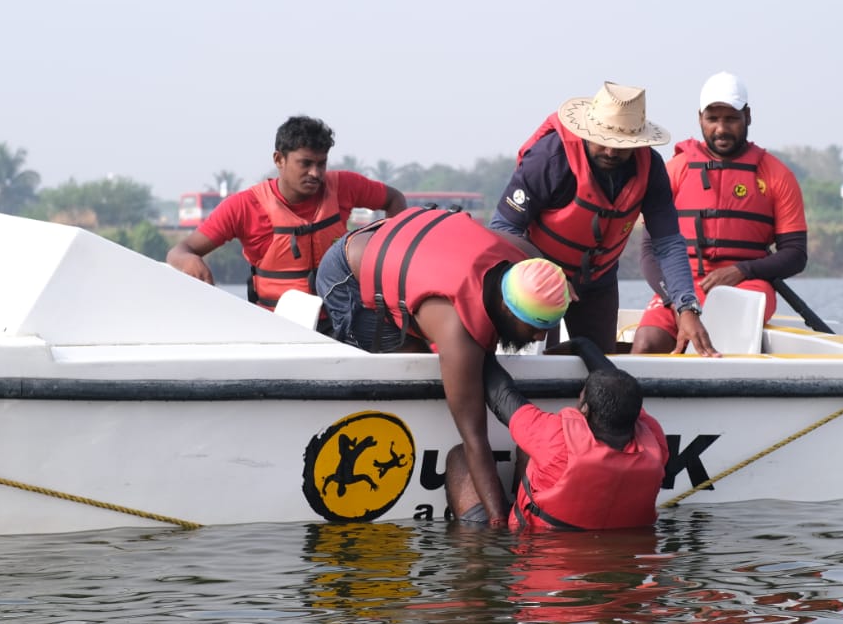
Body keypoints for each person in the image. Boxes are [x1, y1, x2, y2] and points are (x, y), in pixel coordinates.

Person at [315, 205, 573, 526]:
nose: (540, 334)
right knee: (416, 357)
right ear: (506, 308)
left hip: (417, 242)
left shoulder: (526, 260)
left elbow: (550, 281)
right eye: (534, 325)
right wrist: (497, 521)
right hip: (349, 271)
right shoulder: (457, 331)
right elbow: (475, 440)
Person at [490, 81, 717, 356]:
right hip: (537, 281)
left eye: (622, 145)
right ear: (587, 131)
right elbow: (502, 230)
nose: (611, 152)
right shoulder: (550, 159)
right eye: (603, 141)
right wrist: (550, 277)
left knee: (600, 363)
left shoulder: (651, 168)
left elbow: (667, 242)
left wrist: (686, 306)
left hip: (598, 283)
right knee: (535, 365)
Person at [166, 115, 406, 327]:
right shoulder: (243, 206)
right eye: (305, 163)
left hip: (343, 317)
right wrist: (189, 260)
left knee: (407, 345)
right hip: (277, 325)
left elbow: (394, 199)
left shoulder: (345, 186)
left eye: (321, 164)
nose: (315, 173)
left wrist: (388, 262)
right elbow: (180, 251)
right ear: (279, 159)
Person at [632, 72, 808, 354]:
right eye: (713, 119)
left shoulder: (777, 176)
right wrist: (677, 301)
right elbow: (649, 253)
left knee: (721, 331)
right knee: (646, 343)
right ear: (700, 118)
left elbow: (796, 254)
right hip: (680, 286)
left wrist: (742, 270)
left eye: (731, 119)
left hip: (748, 286)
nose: (721, 129)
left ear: (748, 116)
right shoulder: (675, 170)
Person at [446, 335, 668, 531]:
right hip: (601, 549)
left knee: (461, 456)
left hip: (528, 544)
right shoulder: (655, 442)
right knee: (530, 450)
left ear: (585, 410)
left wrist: (473, 342)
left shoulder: (556, 440)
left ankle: (479, 544)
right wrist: (584, 347)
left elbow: (502, 396)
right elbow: (617, 383)